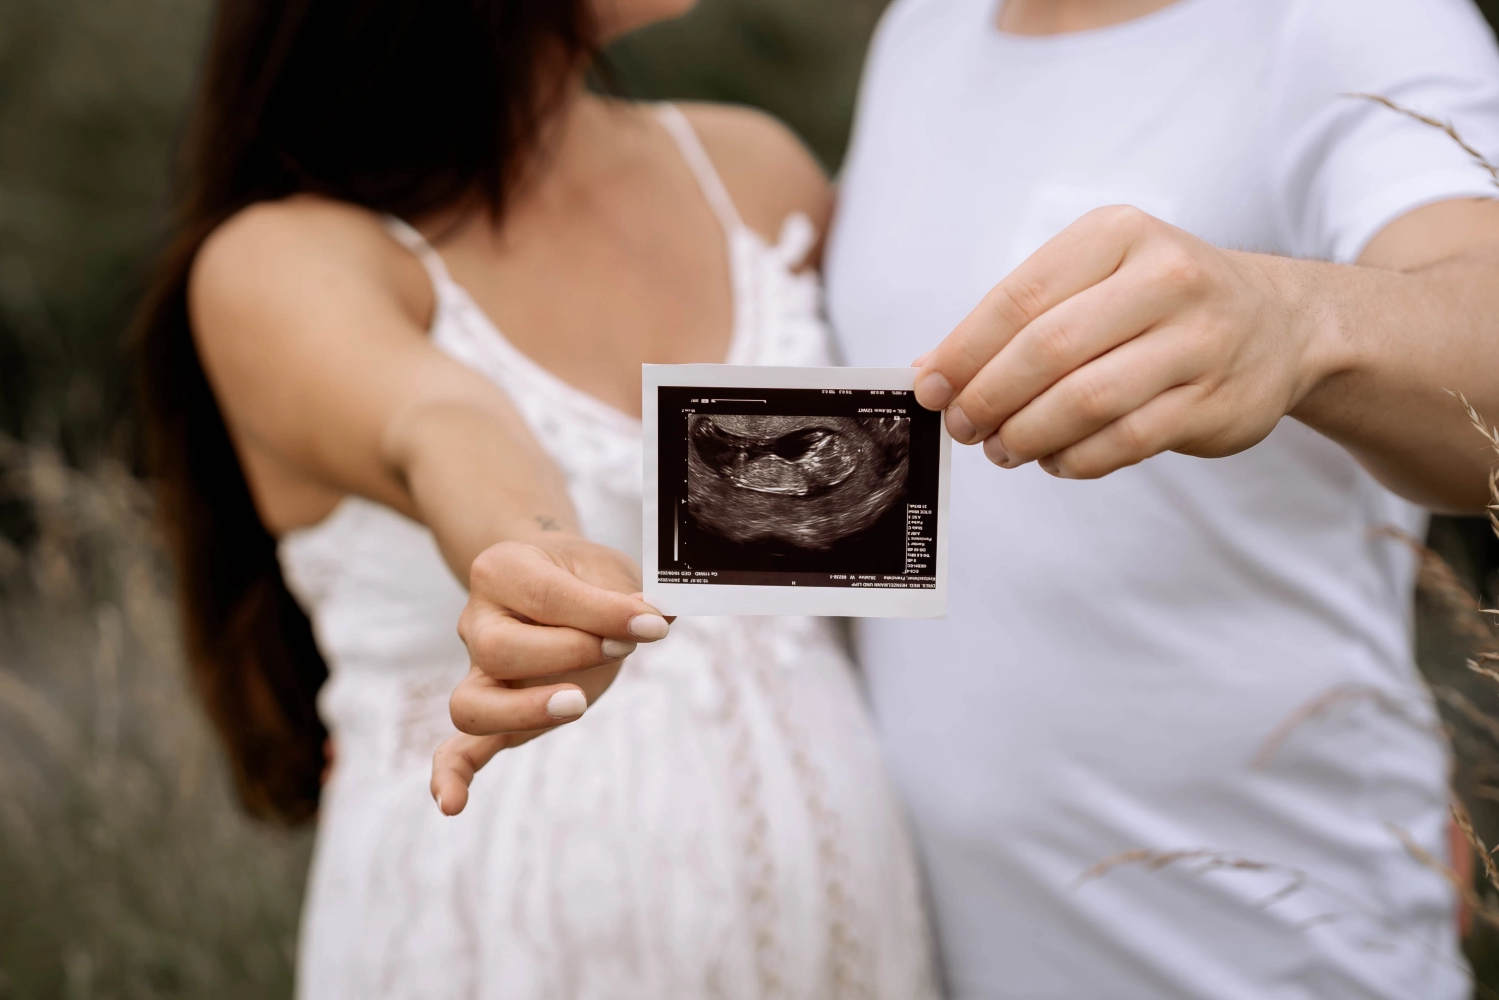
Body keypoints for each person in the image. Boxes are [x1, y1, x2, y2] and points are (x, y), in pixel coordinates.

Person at [133, 1, 936, 997]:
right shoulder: (282, 259)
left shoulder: (755, 175)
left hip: (850, 936)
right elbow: (438, 422)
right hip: (492, 939)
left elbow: (900, 506)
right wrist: (539, 551)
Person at [824, 0, 1499, 997]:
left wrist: (1300, 319)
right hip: (943, 946)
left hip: (1266, 945)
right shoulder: (925, 28)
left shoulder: (1352, 20)